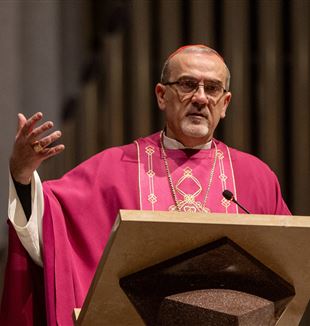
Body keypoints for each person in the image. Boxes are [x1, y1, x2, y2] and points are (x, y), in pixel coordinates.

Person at [0, 44, 290, 325]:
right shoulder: (113, 169)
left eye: (212, 88)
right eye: (188, 84)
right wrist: (22, 173)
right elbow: (49, 223)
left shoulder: (256, 178)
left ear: (225, 104)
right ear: (162, 96)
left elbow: (290, 269)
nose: (201, 98)